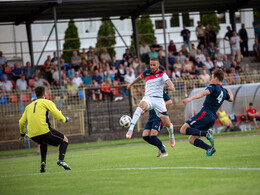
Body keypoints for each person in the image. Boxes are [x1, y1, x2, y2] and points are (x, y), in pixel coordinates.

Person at [181, 69, 233, 156]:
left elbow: (203, 93)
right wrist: (230, 92)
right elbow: (231, 99)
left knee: (183, 130)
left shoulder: (213, 86)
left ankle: (206, 133)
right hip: (212, 117)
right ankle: (209, 148)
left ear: (216, 78)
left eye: (212, 77)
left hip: (206, 113)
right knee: (191, 139)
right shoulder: (224, 91)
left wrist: (190, 98)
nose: (211, 79)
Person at [19, 86, 72, 172]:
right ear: (44, 94)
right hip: (44, 131)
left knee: (43, 143)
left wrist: (22, 134)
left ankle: (43, 164)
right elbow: (56, 113)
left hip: (32, 135)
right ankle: (61, 160)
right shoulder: (47, 102)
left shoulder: (28, 106)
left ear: (36, 95)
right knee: (65, 140)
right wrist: (65, 119)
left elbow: (21, 122)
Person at [126, 57, 176, 148]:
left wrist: (171, 85)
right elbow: (139, 78)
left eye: (154, 65)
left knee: (167, 124)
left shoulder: (162, 74)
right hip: (148, 98)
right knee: (141, 105)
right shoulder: (147, 73)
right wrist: (131, 84)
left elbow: (168, 81)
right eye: (151, 65)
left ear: (158, 65)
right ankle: (131, 128)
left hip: (158, 100)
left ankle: (171, 134)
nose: (152, 67)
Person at [142, 90, 173, 157]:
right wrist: (144, 110)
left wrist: (160, 105)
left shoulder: (160, 91)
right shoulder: (148, 93)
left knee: (153, 135)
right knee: (145, 136)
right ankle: (160, 146)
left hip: (159, 116)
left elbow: (170, 101)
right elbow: (148, 104)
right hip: (151, 117)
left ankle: (164, 152)